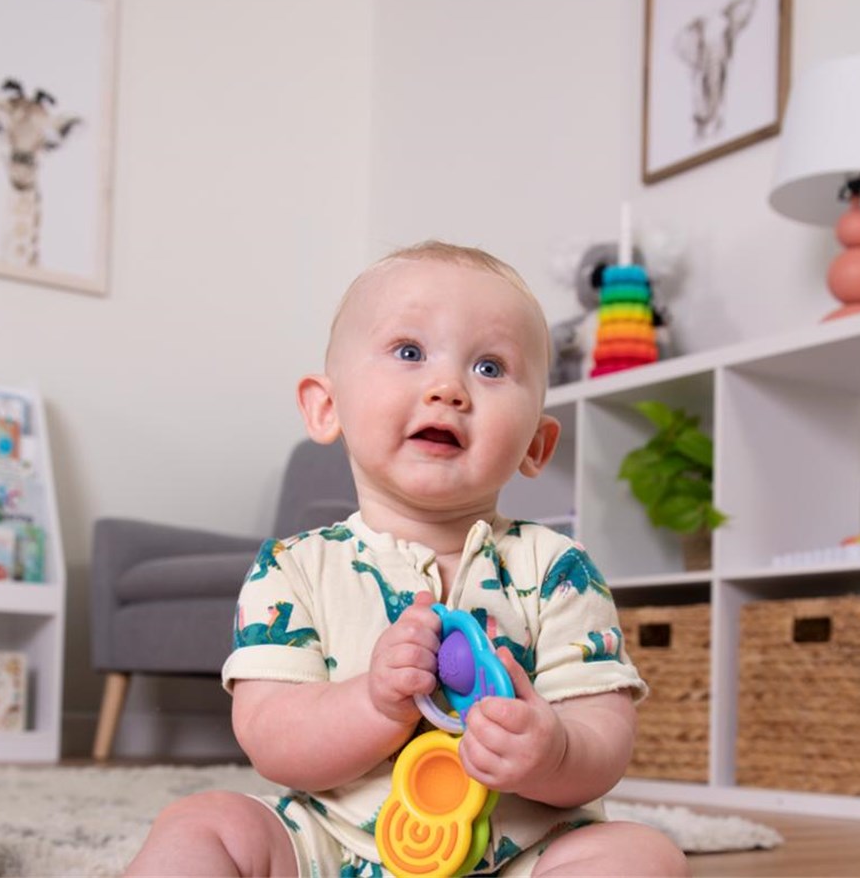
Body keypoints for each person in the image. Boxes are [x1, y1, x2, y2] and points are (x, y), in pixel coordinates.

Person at [126, 240, 688, 877]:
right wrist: (373, 702)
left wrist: (552, 751)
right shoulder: (293, 568)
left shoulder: (558, 569)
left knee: (643, 857)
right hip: (329, 850)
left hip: (520, 855)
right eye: (410, 353)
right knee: (204, 825)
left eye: (490, 367)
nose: (448, 388)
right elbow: (271, 738)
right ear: (326, 405)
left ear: (537, 442)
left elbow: (605, 735)